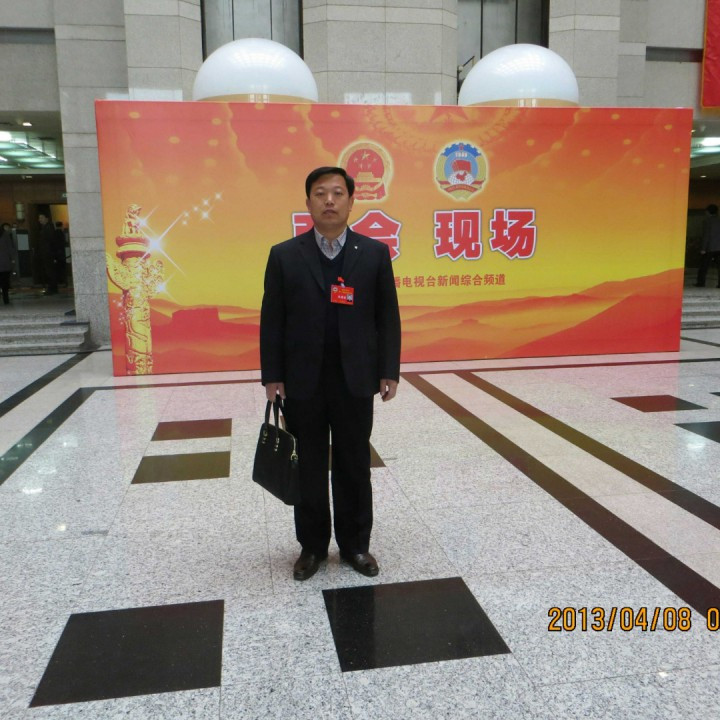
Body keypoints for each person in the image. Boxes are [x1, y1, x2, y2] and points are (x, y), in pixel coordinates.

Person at [260, 166, 401, 581]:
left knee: (354, 462)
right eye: (320, 193)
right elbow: (273, 320)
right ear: (308, 202)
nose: (329, 201)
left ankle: (356, 545)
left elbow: (387, 317)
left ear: (351, 202)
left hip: (355, 378)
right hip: (302, 379)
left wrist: (388, 369)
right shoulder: (284, 255)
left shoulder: (373, 253)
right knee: (308, 464)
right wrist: (273, 375)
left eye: (338, 193)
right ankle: (312, 547)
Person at [695, 204, 720, 288]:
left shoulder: (707, 221)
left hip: (710, 248)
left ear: (708, 212)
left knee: (704, 266)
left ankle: (701, 282)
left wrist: (703, 248)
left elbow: (706, 235)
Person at [38, 213, 58, 294]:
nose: (40, 220)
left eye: (41, 217)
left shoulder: (48, 228)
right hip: (46, 253)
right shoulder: (45, 227)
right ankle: (52, 288)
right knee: (49, 271)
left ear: (47, 218)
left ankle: (52, 288)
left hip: (48, 253)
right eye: (39, 218)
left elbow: (51, 241)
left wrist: (51, 253)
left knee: (50, 271)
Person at [0, 222, 15, 305]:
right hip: (4, 261)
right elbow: (10, 247)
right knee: (5, 282)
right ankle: (6, 299)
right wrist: (12, 258)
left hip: (3, 261)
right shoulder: (5, 234)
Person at [54, 221, 67, 287]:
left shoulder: (54, 233)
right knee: (62, 268)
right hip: (61, 253)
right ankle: (64, 281)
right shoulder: (61, 233)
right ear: (61, 226)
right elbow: (63, 242)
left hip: (57, 253)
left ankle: (60, 281)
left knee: (58, 268)